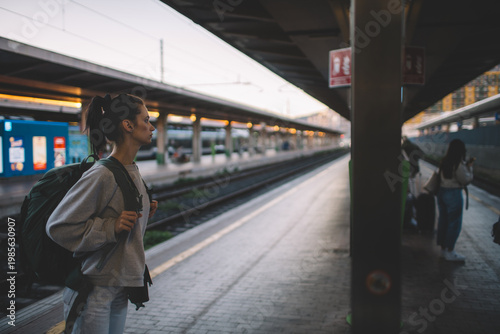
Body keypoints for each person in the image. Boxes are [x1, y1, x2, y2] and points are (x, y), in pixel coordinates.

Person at [46, 93, 158, 333]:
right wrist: (111, 227)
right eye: (146, 120)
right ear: (128, 125)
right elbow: (58, 226)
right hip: (94, 293)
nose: (152, 127)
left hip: (119, 287)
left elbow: (123, 221)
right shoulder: (102, 174)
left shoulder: (131, 170)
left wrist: (145, 211)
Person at [436, 139, 474, 262]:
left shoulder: (444, 161)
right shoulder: (458, 163)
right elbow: (465, 180)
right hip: (453, 193)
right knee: (454, 223)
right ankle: (450, 251)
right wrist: (469, 168)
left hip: (442, 192)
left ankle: (443, 250)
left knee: (443, 221)